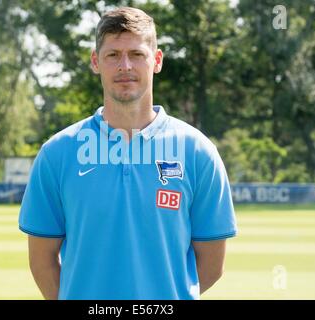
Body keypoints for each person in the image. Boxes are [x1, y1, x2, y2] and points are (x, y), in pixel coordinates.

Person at [18, 6, 237, 300]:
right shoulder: (57, 154)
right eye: (113, 55)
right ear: (96, 62)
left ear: (156, 61)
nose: (125, 66)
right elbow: (41, 261)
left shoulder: (198, 152)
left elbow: (210, 266)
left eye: (136, 54)